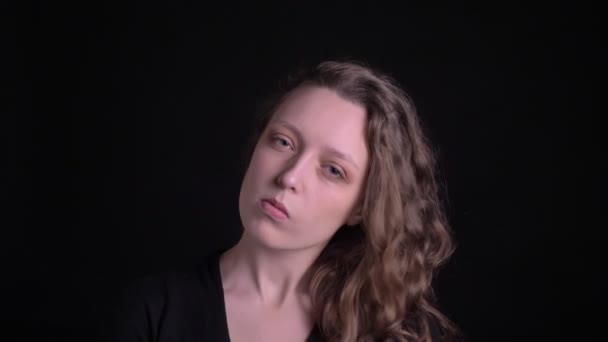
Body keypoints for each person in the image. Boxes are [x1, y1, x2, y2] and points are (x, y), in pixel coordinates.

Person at [102, 60, 459, 342]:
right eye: (283, 142)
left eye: (333, 170)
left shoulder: (399, 333)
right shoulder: (154, 310)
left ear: (362, 208)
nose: (289, 177)